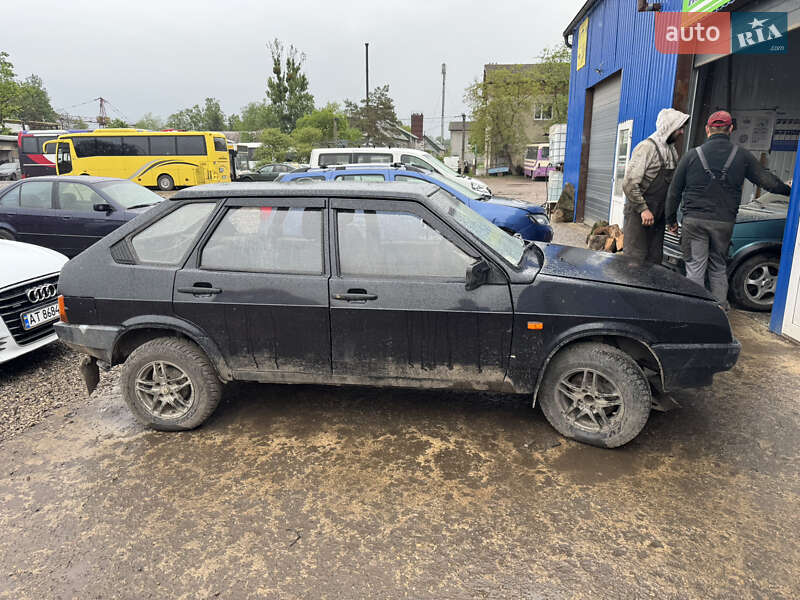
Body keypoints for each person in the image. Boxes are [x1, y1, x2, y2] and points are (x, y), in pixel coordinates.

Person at [666, 111, 791, 308]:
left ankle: (693, 312)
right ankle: (719, 312)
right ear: (730, 129)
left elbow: (674, 191)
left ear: (708, 130)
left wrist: (671, 220)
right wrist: (790, 190)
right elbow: (769, 182)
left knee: (695, 267)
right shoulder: (741, 156)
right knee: (718, 266)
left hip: (694, 221)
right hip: (723, 223)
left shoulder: (691, 155)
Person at [622, 108, 690, 265]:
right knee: (634, 262)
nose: (681, 132)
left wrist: (669, 218)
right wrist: (643, 209)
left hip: (658, 217)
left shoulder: (672, 151)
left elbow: (670, 188)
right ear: (668, 127)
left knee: (654, 262)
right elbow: (629, 183)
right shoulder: (646, 148)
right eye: (679, 128)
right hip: (639, 216)